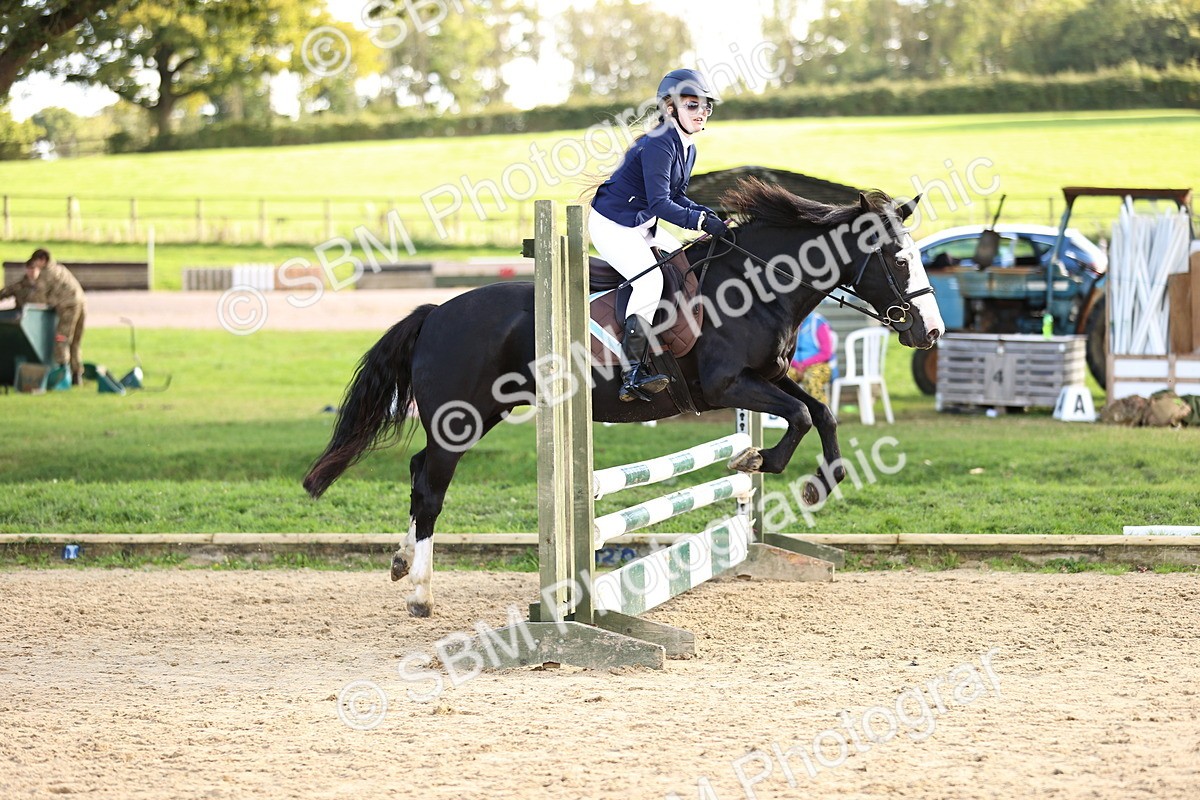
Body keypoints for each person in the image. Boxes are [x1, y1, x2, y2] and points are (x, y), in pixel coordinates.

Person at [589, 68, 729, 402]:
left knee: (682, 264)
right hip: (613, 224)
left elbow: (676, 196)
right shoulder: (659, 144)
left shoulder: (687, 147)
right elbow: (660, 203)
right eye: (693, 105)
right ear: (670, 108)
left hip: (641, 222)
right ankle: (632, 372)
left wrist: (706, 214)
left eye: (706, 106)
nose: (702, 113)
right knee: (650, 282)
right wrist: (698, 221)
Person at [0, 249, 87, 386]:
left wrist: (20, 303)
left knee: (61, 338)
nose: (34, 268)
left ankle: (62, 374)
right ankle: (77, 374)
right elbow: (20, 286)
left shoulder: (47, 274)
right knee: (75, 341)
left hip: (68, 306)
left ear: (42, 260)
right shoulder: (58, 268)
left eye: (35, 263)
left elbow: (38, 298)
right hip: (81, 302)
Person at [789, 312, 838, 405]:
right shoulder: (790, 322)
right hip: (793, 365)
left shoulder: (819, 323)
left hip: (820, 365)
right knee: (781, 378)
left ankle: (821, 415)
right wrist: (795, 364)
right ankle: (787, 412)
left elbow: (826, 353)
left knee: (811, 378)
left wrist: (803, 365)